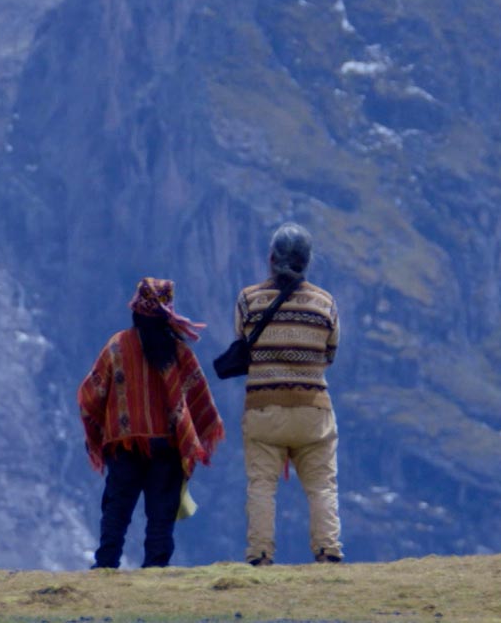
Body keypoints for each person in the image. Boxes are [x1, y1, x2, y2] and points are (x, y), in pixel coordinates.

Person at [77, 277, 225, 569]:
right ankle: (155, 569)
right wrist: (190, 435)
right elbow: (200, 399)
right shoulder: (179, 352)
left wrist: (101, 430)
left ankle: (106, 564)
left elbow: (91, 394)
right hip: (167, 447)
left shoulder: (117, 347)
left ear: (136, 310)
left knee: (117, 509)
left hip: (123, 444)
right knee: (161, 514)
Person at [235, 222, 342, 565]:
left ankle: (260, 555)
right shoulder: (325, 303)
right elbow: (329, 354)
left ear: (271, 258)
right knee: (321, 485)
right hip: (313, 411)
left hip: (263, 408)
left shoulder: (249, 300)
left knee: (261, 486)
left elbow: (243, 344)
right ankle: (327, 551)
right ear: (307, 261)